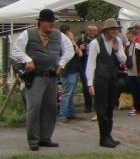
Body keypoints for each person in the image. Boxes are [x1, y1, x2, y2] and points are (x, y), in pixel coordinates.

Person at [11, 9, 74, 151]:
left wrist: (61, 63)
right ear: (41, 22)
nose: (52, 24)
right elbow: (16, 51)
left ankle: (45, 138)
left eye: (53, 21)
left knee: (50, 108)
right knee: (34, 107)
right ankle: (33, 140)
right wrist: (27, 59)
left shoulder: (59, 35)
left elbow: (69, 50)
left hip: (51, 77)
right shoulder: (29, 33)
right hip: (35, 77)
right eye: (49, 21)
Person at [86, 18, 127, 148]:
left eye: (116, 29)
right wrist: (89, 83)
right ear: (106, 30)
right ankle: (103, 138)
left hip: (112, 77)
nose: (115, 32)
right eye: (113, 29)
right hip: (101, 78)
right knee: (101, 108)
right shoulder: (95, 43)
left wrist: (116, 50)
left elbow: (123, 60)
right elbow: (90, 64)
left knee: (110, 107)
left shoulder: (118, 41)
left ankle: (108, 135)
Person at [58, 25, 83, 122]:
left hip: (70, 70)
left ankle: (70, 112)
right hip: (70, 70)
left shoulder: (62, 42)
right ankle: (63, 114)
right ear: (68, 32)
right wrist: (73, 41)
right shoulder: (67, 43)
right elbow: (79, 53)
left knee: (71, 93)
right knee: (67, 93)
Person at [125, 27, 140, 116]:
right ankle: (138, 108)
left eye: (127, 34)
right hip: (131, 72)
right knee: (134, 90)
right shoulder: (130, 44)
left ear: (131, 34)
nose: (126, 35)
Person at [77, 25, 98, 113]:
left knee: (98, 86)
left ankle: (97, 105)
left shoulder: (98, 41)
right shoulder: (81, 41)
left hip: (97, 66)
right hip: (84, 66)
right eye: (90, 30)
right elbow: (77, 54)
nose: (92, 32)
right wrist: (80, 50)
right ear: (87, 31)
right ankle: (88, 106)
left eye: (94, 31)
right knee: (86, 87)